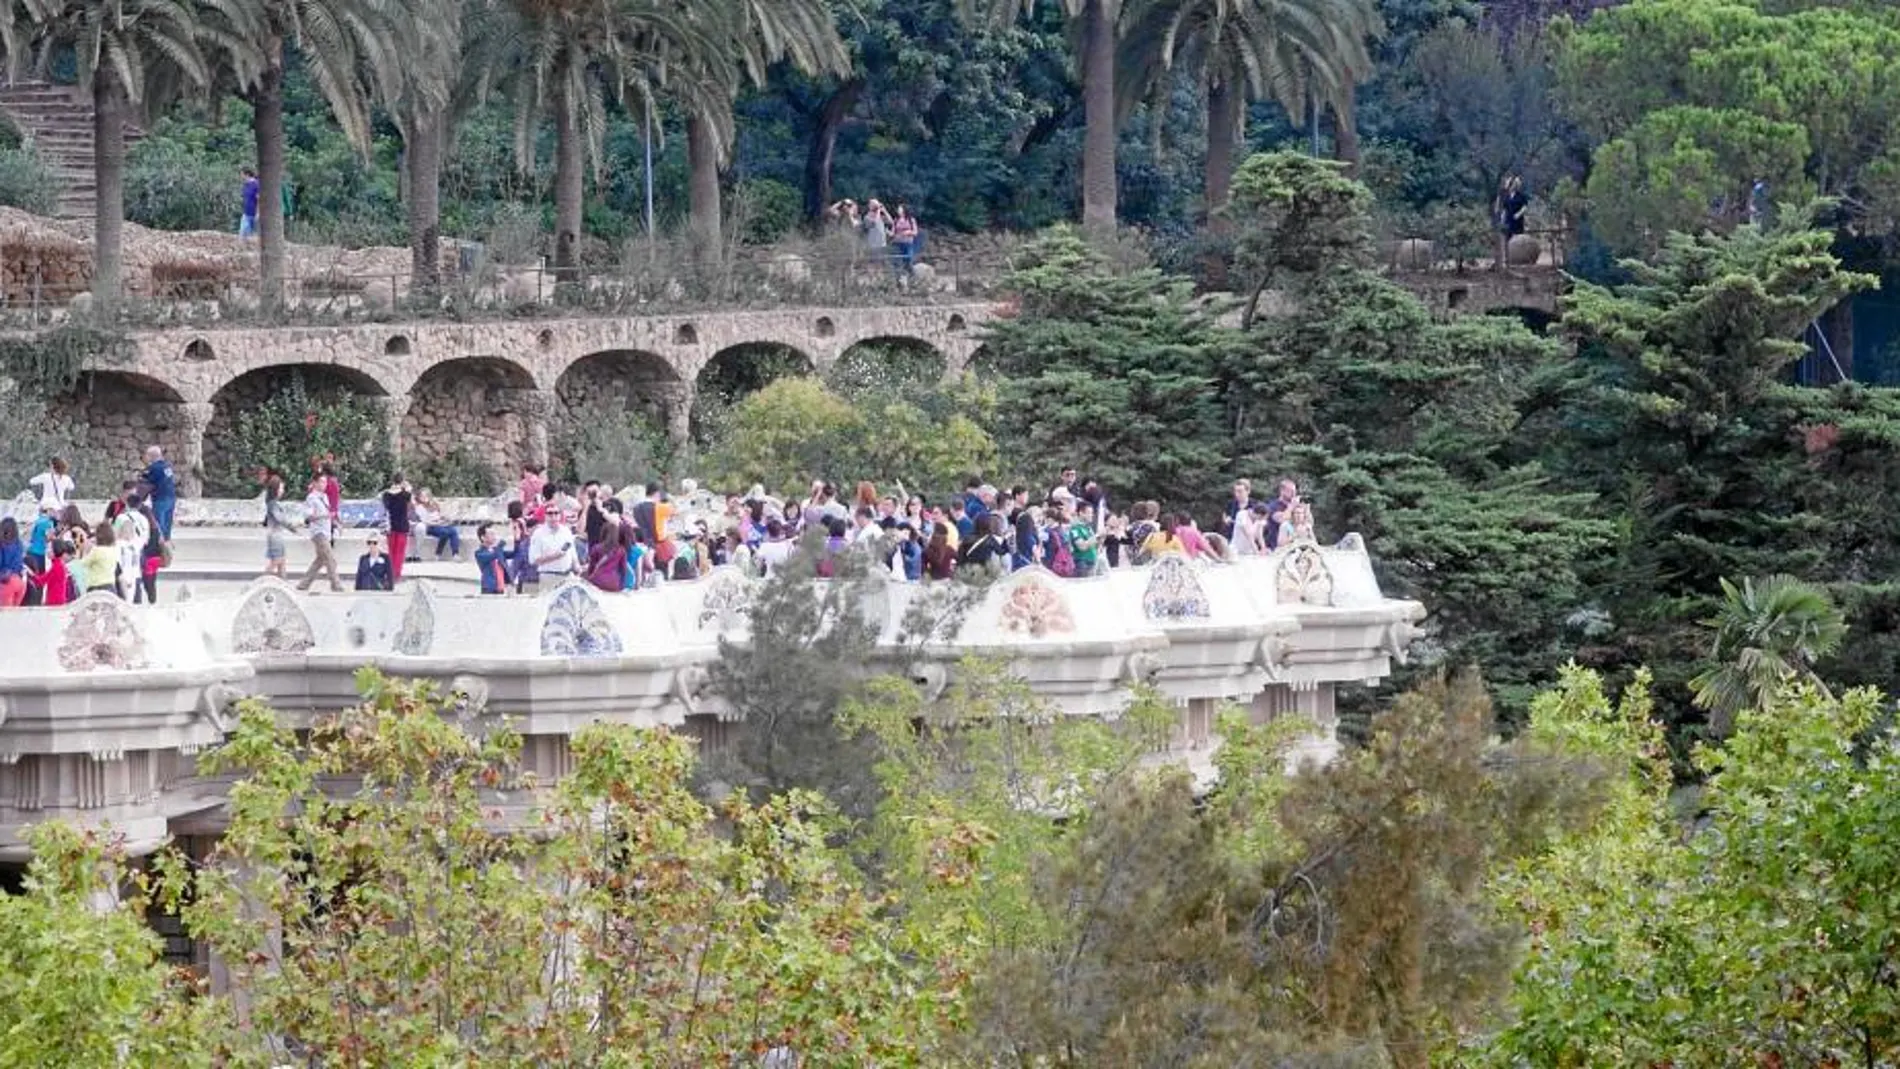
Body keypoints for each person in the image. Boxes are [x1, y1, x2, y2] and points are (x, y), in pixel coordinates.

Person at [296, 477, 343, 593]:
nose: (324, 484)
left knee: (321, 559)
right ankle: (336, 585)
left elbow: (329, 514)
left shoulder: (325, 497)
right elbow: (308, 516)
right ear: (315, 483)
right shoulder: (311, 498)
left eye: (325, 482)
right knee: (330, 558)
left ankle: (303, 584)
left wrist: (335, 522)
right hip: (318, 532)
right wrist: (324, 516)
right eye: (321, 481)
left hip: (326, 531)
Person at [112, 493, 151, 601]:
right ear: (139, 505)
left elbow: (114, 535)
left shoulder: (121, 517)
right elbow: (146, 538)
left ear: (127, 504)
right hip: (138, 551)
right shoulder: (144, 519)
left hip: (122, 553)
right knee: (136, 576)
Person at [530, 510, 579, 582]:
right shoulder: (538, 534)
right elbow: (534, 560)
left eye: (556, 513)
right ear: (545, 516)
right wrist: (554, 556)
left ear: (560, 515)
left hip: (567, 576)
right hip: (549, 576)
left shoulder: (566, 531)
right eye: (550, 514)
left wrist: (577, 566)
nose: (553, 517)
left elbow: (572, 551)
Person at [381, 476, 413, 582]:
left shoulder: (386, 495)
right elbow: (409, 503)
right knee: (399, 553)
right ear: (402, 482)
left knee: (391, 552)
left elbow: (386, 508)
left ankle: (389, 574)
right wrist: (407, 488)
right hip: (402, 526)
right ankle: (396, 575)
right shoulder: (406, 495)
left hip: (390, 526)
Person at [142, 446, 177, 539]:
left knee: (158, 522)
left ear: (151, 456)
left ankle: (159, 543)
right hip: (171, 497)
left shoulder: (153, 468)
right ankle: (166, 541)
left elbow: (144, 483)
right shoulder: (167, 466)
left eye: (147, 455)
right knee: (167, 522)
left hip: (160, 498)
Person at [75, 523, 120, 596]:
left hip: (96, 587)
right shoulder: (114, 550)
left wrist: (85, 550)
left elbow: (82, 564)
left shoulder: (96, 551)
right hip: (110, 586)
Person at [416, 488, 462, 560]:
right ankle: (438, 554)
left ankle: (455, 554)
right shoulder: (419, 507)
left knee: (453, 531)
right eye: (422, 496)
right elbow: (425, 522)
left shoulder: (434, 504)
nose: (425, 497)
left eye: (426, 495)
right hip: (429, 527)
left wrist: (445, 519)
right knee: (445, 533)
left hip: (440, 524)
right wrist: (438, 523)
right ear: (419, 498)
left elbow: (439, 515)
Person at [28, 538, 74, 607]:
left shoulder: (57, 566)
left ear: (55, 550)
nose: (46, 550)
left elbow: (41, 581)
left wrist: (30, 573)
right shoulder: (58, 564)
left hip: (55, 603)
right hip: (56, 602)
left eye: (49, 548)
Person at [262, 470, 292, 578]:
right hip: (274, 535)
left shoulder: (274, 503)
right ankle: (261, 580)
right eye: (281, 488)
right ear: (275, 490)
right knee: (277, 560)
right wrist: (291, 527)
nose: (282, 491)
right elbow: (280, 519)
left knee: (282, 561)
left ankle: (283, 583)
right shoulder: (272, 504)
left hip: (277, 534)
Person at [474, 524, 508, 595]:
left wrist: (518, 540)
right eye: (491, 534)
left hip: (500, 587)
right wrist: (499, 546)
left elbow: (514, 553)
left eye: (494, 534)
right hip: (489, 587)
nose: (494, 537)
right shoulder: (479, 553)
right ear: (483, 537)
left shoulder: (497, 551)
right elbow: (492, 556)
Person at [0, 518, 24, 608]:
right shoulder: (19, 543)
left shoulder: (2, 544)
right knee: (14, 614)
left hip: (5, 582)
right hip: (19, 582)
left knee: (5, 617)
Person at [891, 203, 919, 275]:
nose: (898, 210)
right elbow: (893, 232)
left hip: (907, 243)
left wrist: (908, 232)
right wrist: (890, 234)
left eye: (899, 208)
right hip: (897, 243)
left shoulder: (911, 220)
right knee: (896, 262)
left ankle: (912, 277)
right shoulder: (896, 220)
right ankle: (897, 279)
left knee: (908, 261)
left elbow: (915, 232)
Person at [239, 166, 260, 239]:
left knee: (253, 235)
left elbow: (259, 200)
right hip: (246, 213)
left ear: (247, 174)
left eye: (241, 174)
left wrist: (258, 213)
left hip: (254, 213)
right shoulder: (245, 185)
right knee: (243, 234)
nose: (241, 176)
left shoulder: (256, 185)